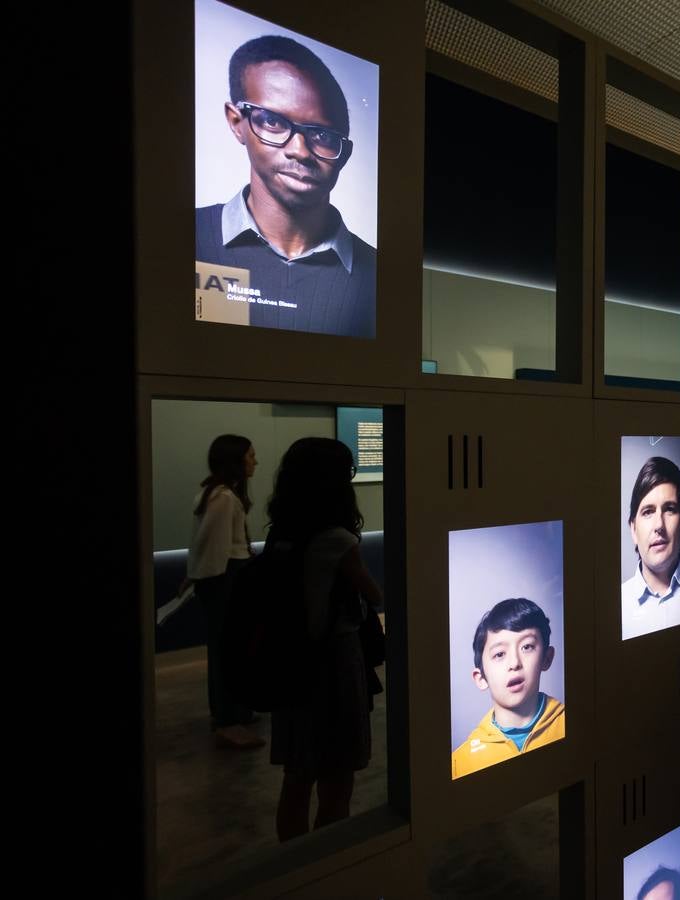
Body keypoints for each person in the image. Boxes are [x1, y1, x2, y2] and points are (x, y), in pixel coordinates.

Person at [196, 35, 375, 338]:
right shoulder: (184, 235)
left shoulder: (379, 274)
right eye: (273, 121)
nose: (300, 151)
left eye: (322, 136)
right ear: (236, 122)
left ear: (345, 153)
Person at [268, 437, 382, 841]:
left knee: (297, 775)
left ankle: (295, 862)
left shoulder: (281, 534)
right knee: (338, 774)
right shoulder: (338, 539)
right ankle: (328, 860)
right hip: (334, 662)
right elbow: (375, 595)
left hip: (291, 660)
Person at [187, 433, 265, 750]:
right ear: (235, 460)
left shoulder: (219, 494)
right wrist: (208, 581)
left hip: (225, 577)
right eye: (250, 456)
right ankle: (228, 720)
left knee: (230, 647)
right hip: (225, 579)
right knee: (227, 650)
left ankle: (234, 711)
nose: (255, 462)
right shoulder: (223, 498)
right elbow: (214, 547)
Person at [451, 597, 566, 778]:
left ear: (547, 658)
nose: (514, 663)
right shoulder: (461, 763)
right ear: (481, 678)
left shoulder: (573, 725)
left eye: (527, 647)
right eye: (499, 654)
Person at [622, 456, 680, 639]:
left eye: (670, 509)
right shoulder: (617, 603)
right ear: (633, 529)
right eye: (648, 512)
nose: (659, 525)